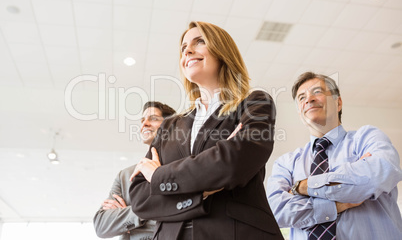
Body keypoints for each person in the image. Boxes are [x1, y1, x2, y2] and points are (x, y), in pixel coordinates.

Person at [129, 21, 283, 240]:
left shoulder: (254, 104)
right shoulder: (170, 125)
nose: (188, 51)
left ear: (223, 51)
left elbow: (232, 162)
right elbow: (140, 198)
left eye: (199, 41)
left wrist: (159, 176)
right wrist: (200, 192)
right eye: (183, 48)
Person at [266, 71, 402, 239]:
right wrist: (336, 205)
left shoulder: (366, 138)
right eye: (301, 98)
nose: (308, 99)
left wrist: (301, 187)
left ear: (338, 103)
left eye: (317, 92)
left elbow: (379, 174)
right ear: (300, 114)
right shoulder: (286, 163)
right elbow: (275, 211)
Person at [93, 101, 176, 240]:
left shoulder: (181, 168)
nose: (145, 124)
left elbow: (182, 214)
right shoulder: (125, 176)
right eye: (143, 120)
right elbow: (101, 226)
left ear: (171, 125)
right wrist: (143, 211)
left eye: (153, 118)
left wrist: (126, 215)